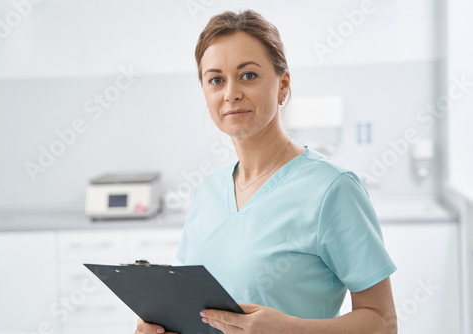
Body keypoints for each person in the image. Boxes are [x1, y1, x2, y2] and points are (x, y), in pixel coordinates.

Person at [135, 9, 397, 334]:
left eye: (248, 75)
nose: (231, 93)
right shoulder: (208, 191)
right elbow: (196, 312)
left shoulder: (332, 189)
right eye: (216, 80)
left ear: (283, 84)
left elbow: (383, 321)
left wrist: (292, 330)